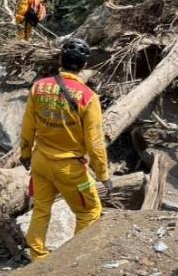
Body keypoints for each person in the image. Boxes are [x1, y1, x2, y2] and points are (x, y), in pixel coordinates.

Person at [18, 38, 111, 262]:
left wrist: (25, 153)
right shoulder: (88, 97)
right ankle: (72, 261)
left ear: (60, 60)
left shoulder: (39, 87)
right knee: (89, 211)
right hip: (70, 169)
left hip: (40, 162)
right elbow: (95, 142)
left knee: (41, 209)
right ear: (84, 66)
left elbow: (27, 125)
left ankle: (38, 257)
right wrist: (103, 175)